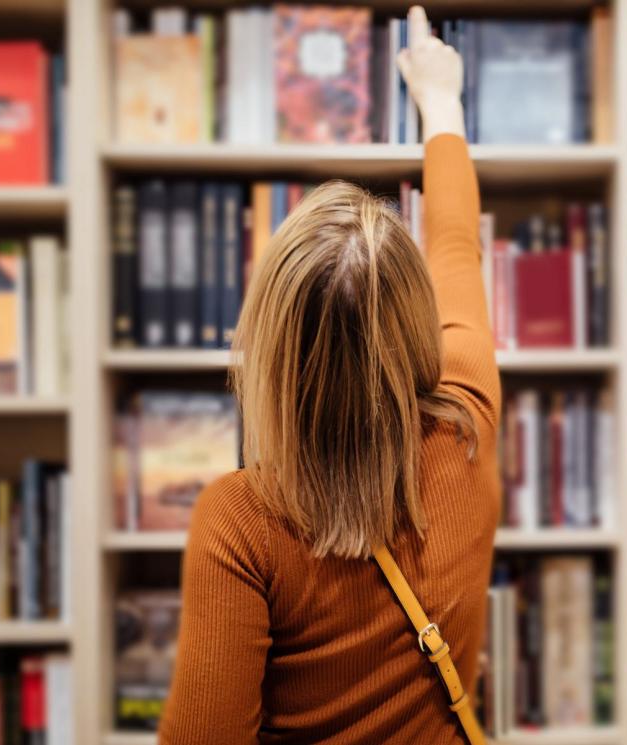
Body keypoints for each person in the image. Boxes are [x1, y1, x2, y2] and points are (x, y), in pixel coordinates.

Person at [158, 7, 499, 742]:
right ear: (415, 323)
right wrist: (441, 102)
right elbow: (455, 247)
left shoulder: (241, 522)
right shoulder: (469, 418)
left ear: (269, 346)